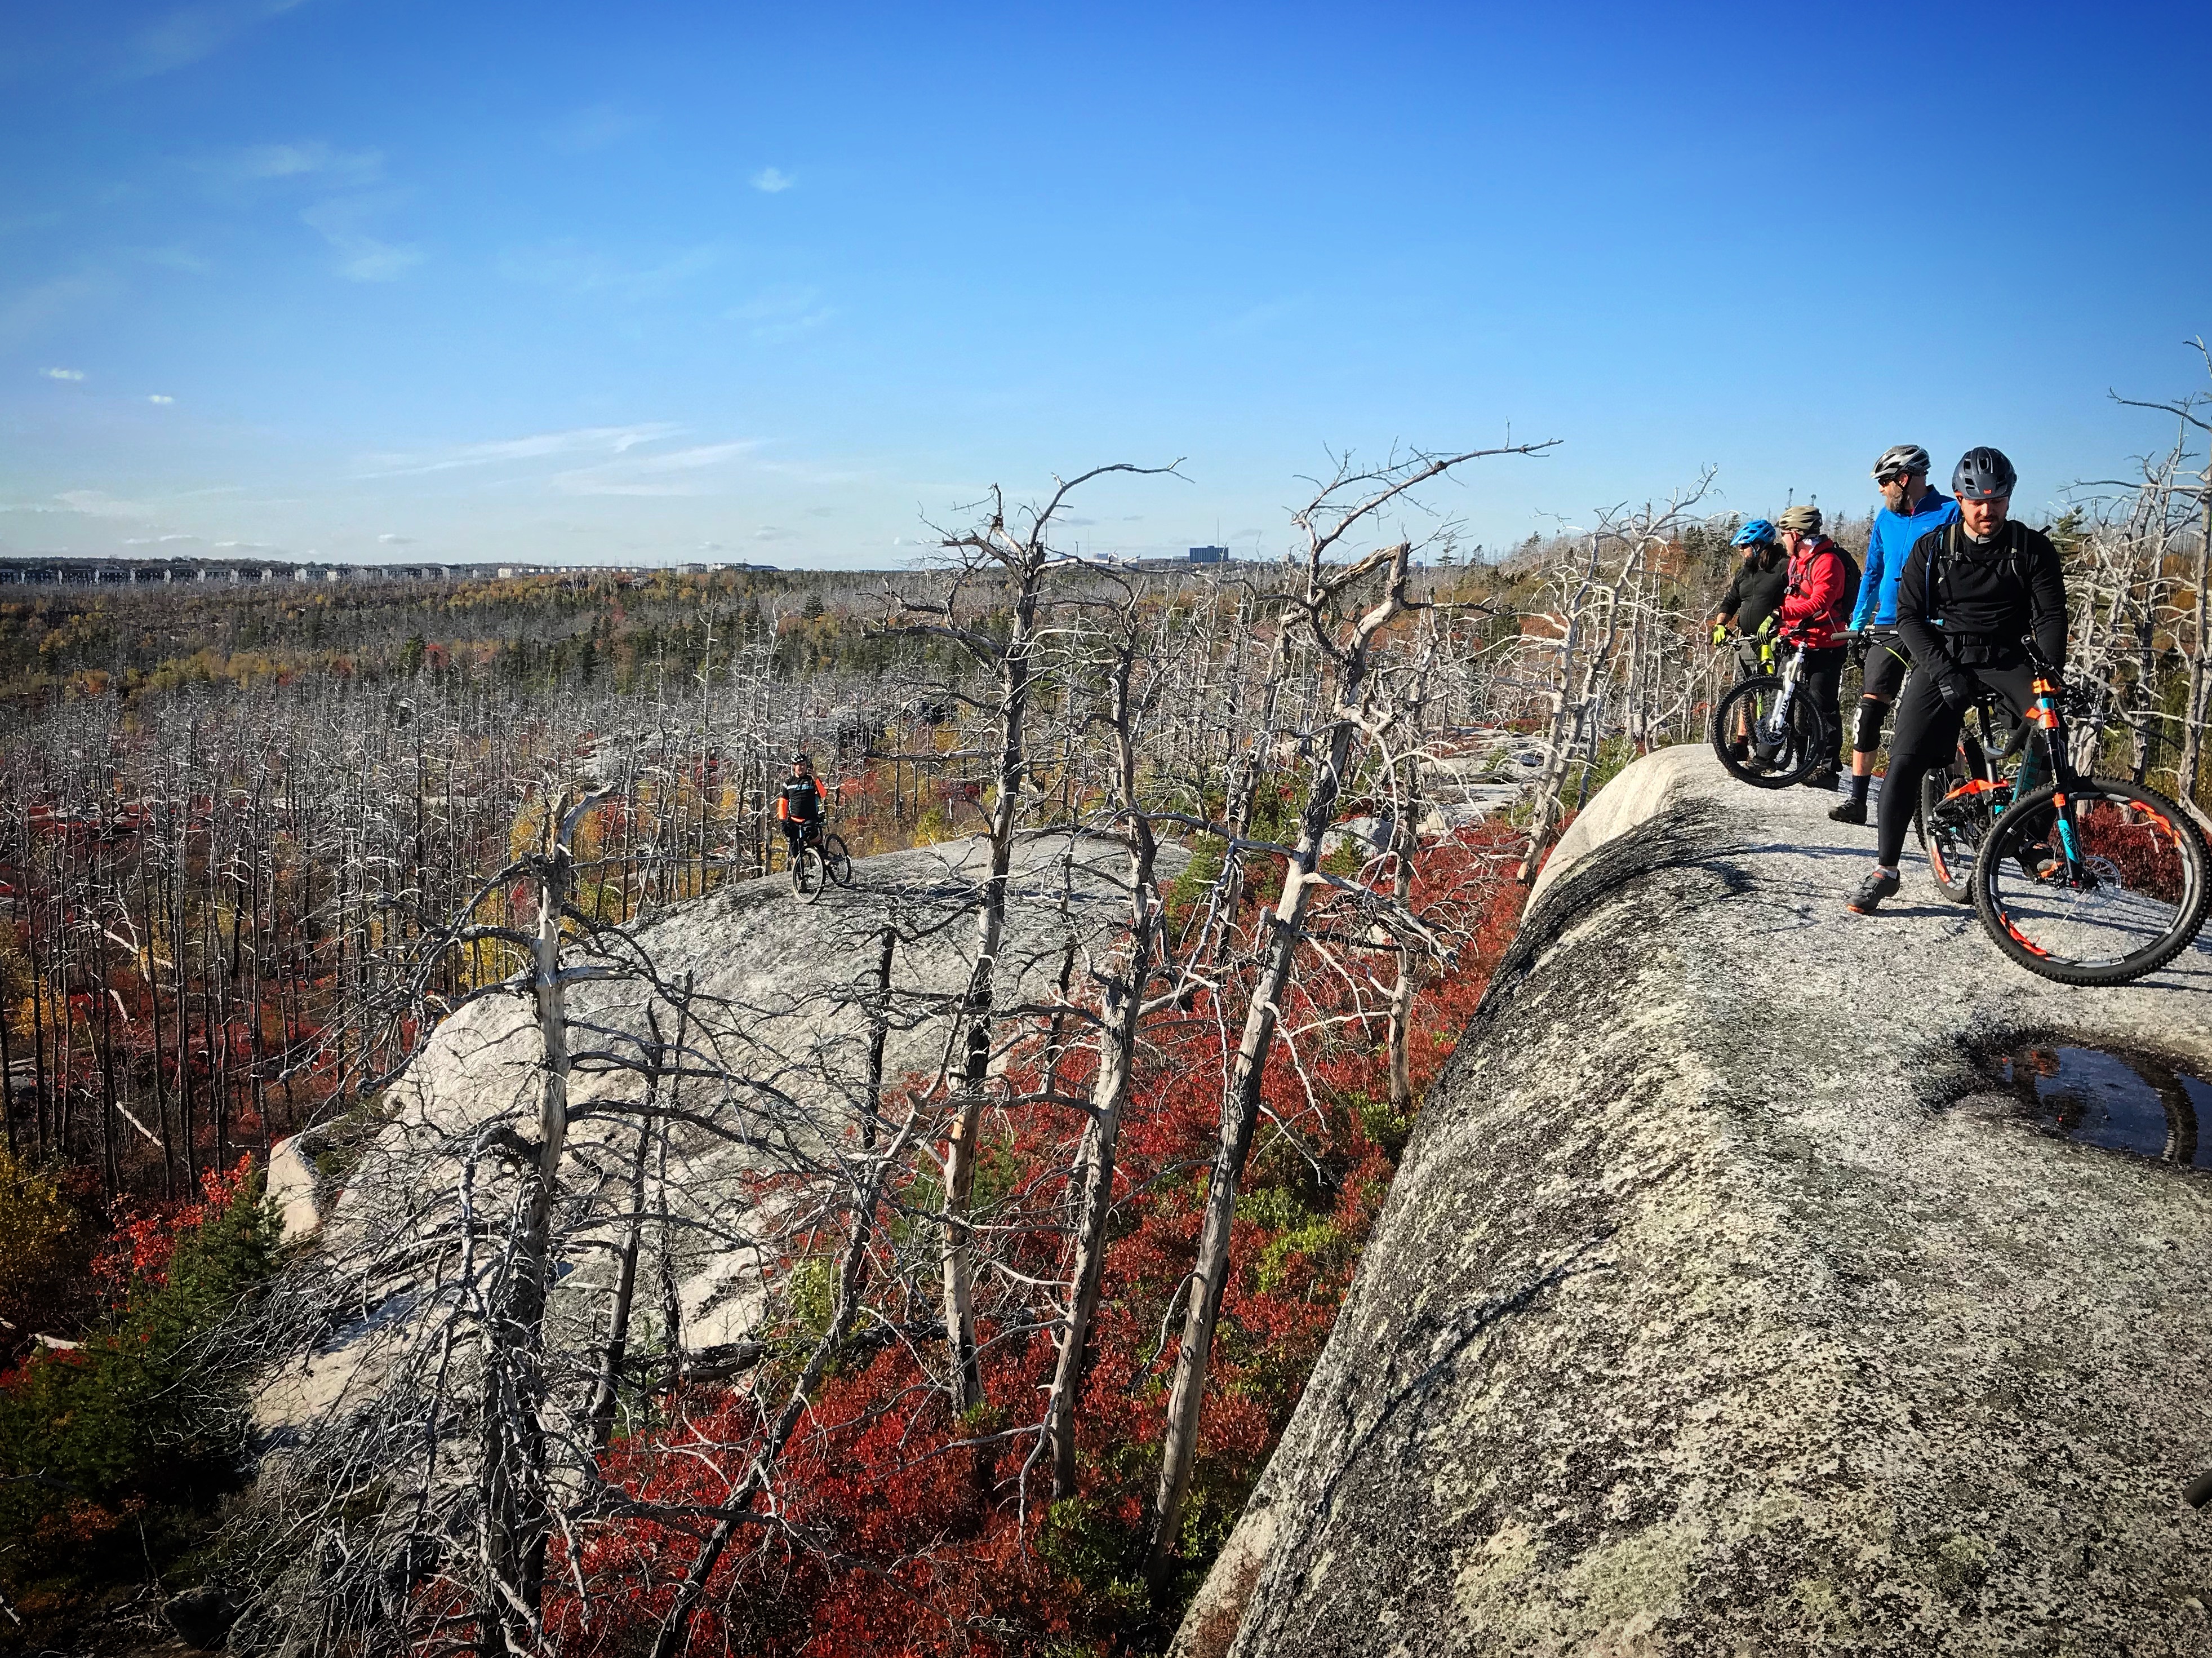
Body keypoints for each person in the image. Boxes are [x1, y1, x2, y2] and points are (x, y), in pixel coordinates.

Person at [1847, 446, 2067, 914]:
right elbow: (1908, 617)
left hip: (2007, 658)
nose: (1987, 511)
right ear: (1960, 499)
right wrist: (1944, 673)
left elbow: (2050, 617)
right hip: (1944, 656)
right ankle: (1885, 870)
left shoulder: (2031, 549)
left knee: (2051, 731)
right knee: (1906, 757)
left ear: (2009, 498)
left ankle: (2029, 839)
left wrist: (2050, 671)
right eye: (1977, 501)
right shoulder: (1934, 548)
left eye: (1997, 500)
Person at [1830, 445, 1959, 825]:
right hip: (1888, 624)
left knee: (1939, 717)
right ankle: (1857, 800)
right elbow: (1872, 571)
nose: (1881, 489)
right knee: (1869, 711)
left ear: (1905, 479)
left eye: (1885, 481)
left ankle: (1946, 803)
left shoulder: (1950, 512)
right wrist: (1858, 623)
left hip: (1932, 626)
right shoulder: (1886, 518)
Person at [1773, 504, 1851, 790]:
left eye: (1785, 534)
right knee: (1786, 698)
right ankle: (1789, 759)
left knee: (1822, 705)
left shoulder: (1828, 562)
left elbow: (1821, 602)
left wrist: (1782, 615)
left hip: (1826, 642)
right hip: (1798, 639)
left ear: (1796, 534)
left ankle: (1828, 769)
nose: (1782, 539)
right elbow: (1794, 597)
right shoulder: (1797, 561)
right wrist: (1784, 628)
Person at [1711, 518, 1787, 682]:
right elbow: (1731, 601)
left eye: (1744, 545)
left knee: (1776, 693)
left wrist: (1779, 620)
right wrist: (1720, 625)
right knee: (1745, 692)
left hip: (1776, 643)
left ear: (1757, 546)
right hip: (1747, 642)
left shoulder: (1785, 567)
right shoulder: (1745, 572)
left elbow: (1799, 600)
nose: (1740, 549)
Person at [778, 753, 824, 864]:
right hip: (794, 820)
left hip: (810, 817)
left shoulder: (811, 780)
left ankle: (823, 853)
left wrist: (816, 779)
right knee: (794, 847)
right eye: (799, 765)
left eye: (804, 764)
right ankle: (798, 872)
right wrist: (782, 821)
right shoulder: (788, 783)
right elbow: (783, 803)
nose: (802, 767)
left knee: (810, 831)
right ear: (794, 766)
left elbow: (823, 794)